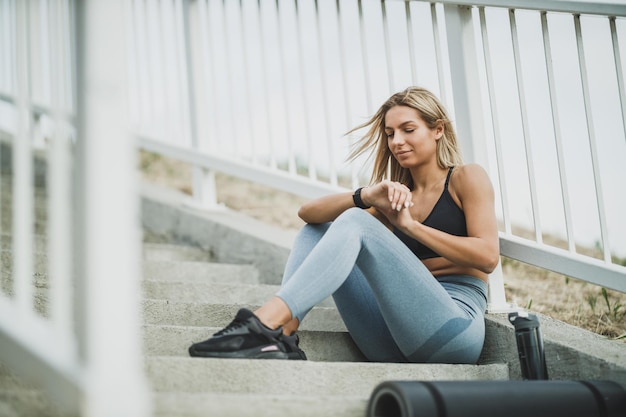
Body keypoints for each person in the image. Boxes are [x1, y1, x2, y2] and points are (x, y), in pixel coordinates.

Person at [188, 86, 500, 364]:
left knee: (354, 222)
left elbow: (487, 257)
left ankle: (262, 324)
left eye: (408, 130)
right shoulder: (393, 198)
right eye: (390, 134)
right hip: (389, 342)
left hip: (452, 332)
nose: (397, 141)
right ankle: (282, 332)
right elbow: (308, 214)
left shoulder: (465, 177)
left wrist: (411, 227)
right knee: (320, 228)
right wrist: (365, 195)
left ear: (437, 130)